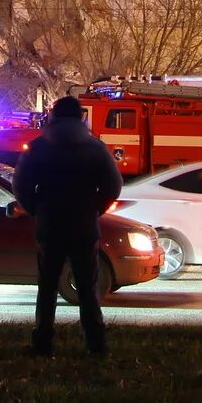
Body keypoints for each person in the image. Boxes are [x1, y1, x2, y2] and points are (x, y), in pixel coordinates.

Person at [13, 96, 123, 357]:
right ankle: (95, 344)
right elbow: (113, 186)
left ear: (53, 117)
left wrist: (36, 209)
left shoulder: (39, 147)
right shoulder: (95, 148)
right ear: (80, 118)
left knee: (48, 286)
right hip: (84, 224)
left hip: (49, 224)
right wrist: (95, 208)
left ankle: (42, 342)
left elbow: (20, 185)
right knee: (87, 287)